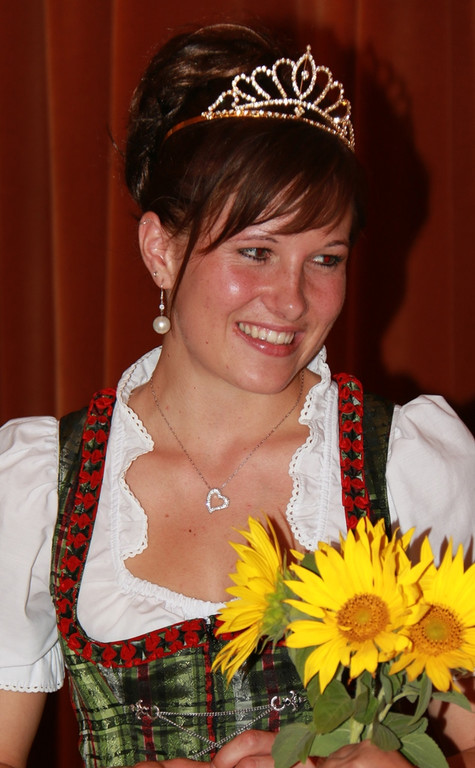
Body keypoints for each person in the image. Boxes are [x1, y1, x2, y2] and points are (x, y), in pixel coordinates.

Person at [0, 22, 474, 768]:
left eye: (325, 258)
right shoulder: (41, 483)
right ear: (161, 249)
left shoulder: (409, 463)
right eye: (256, 251)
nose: (291, 300)